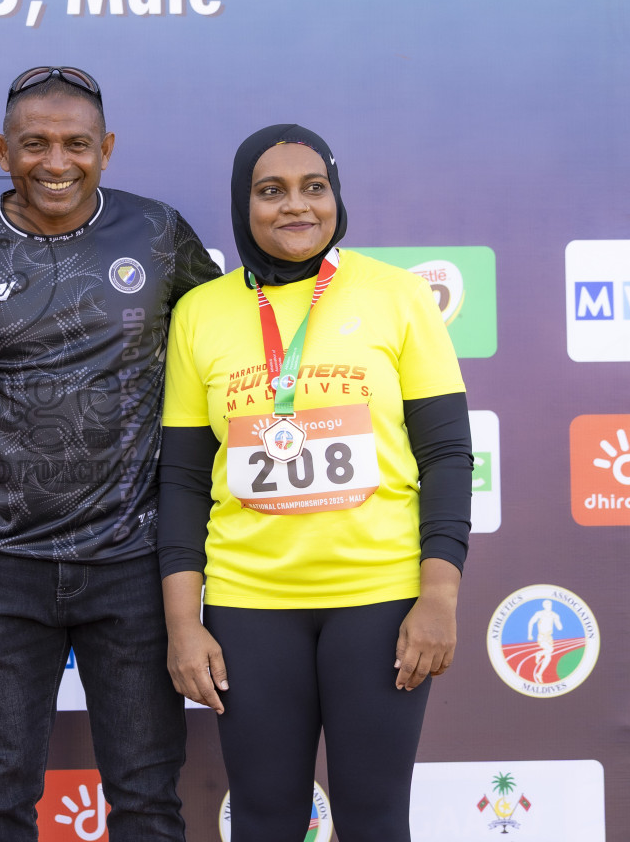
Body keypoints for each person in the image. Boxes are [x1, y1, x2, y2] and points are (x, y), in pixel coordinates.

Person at [0, 66, 220, 841]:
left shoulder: (159, 232)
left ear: (107, 149)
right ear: (2, 149)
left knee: (148, 800)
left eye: (76, 144)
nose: (56, 161)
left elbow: (225, 349)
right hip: (1, 564)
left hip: (134, 560)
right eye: (35, 144)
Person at [158, 124, 472, 840]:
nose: (295, 206)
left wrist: (439, 596)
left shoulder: (396, 297)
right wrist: (183, 625)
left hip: (380, 600)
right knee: (265, 817)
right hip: (248, 605)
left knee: (374, 816)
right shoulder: (199, 313)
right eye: (271, 192)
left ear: (336, 196)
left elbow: (448, 456)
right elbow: (179, 481)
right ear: (244, 204)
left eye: (314, 188)